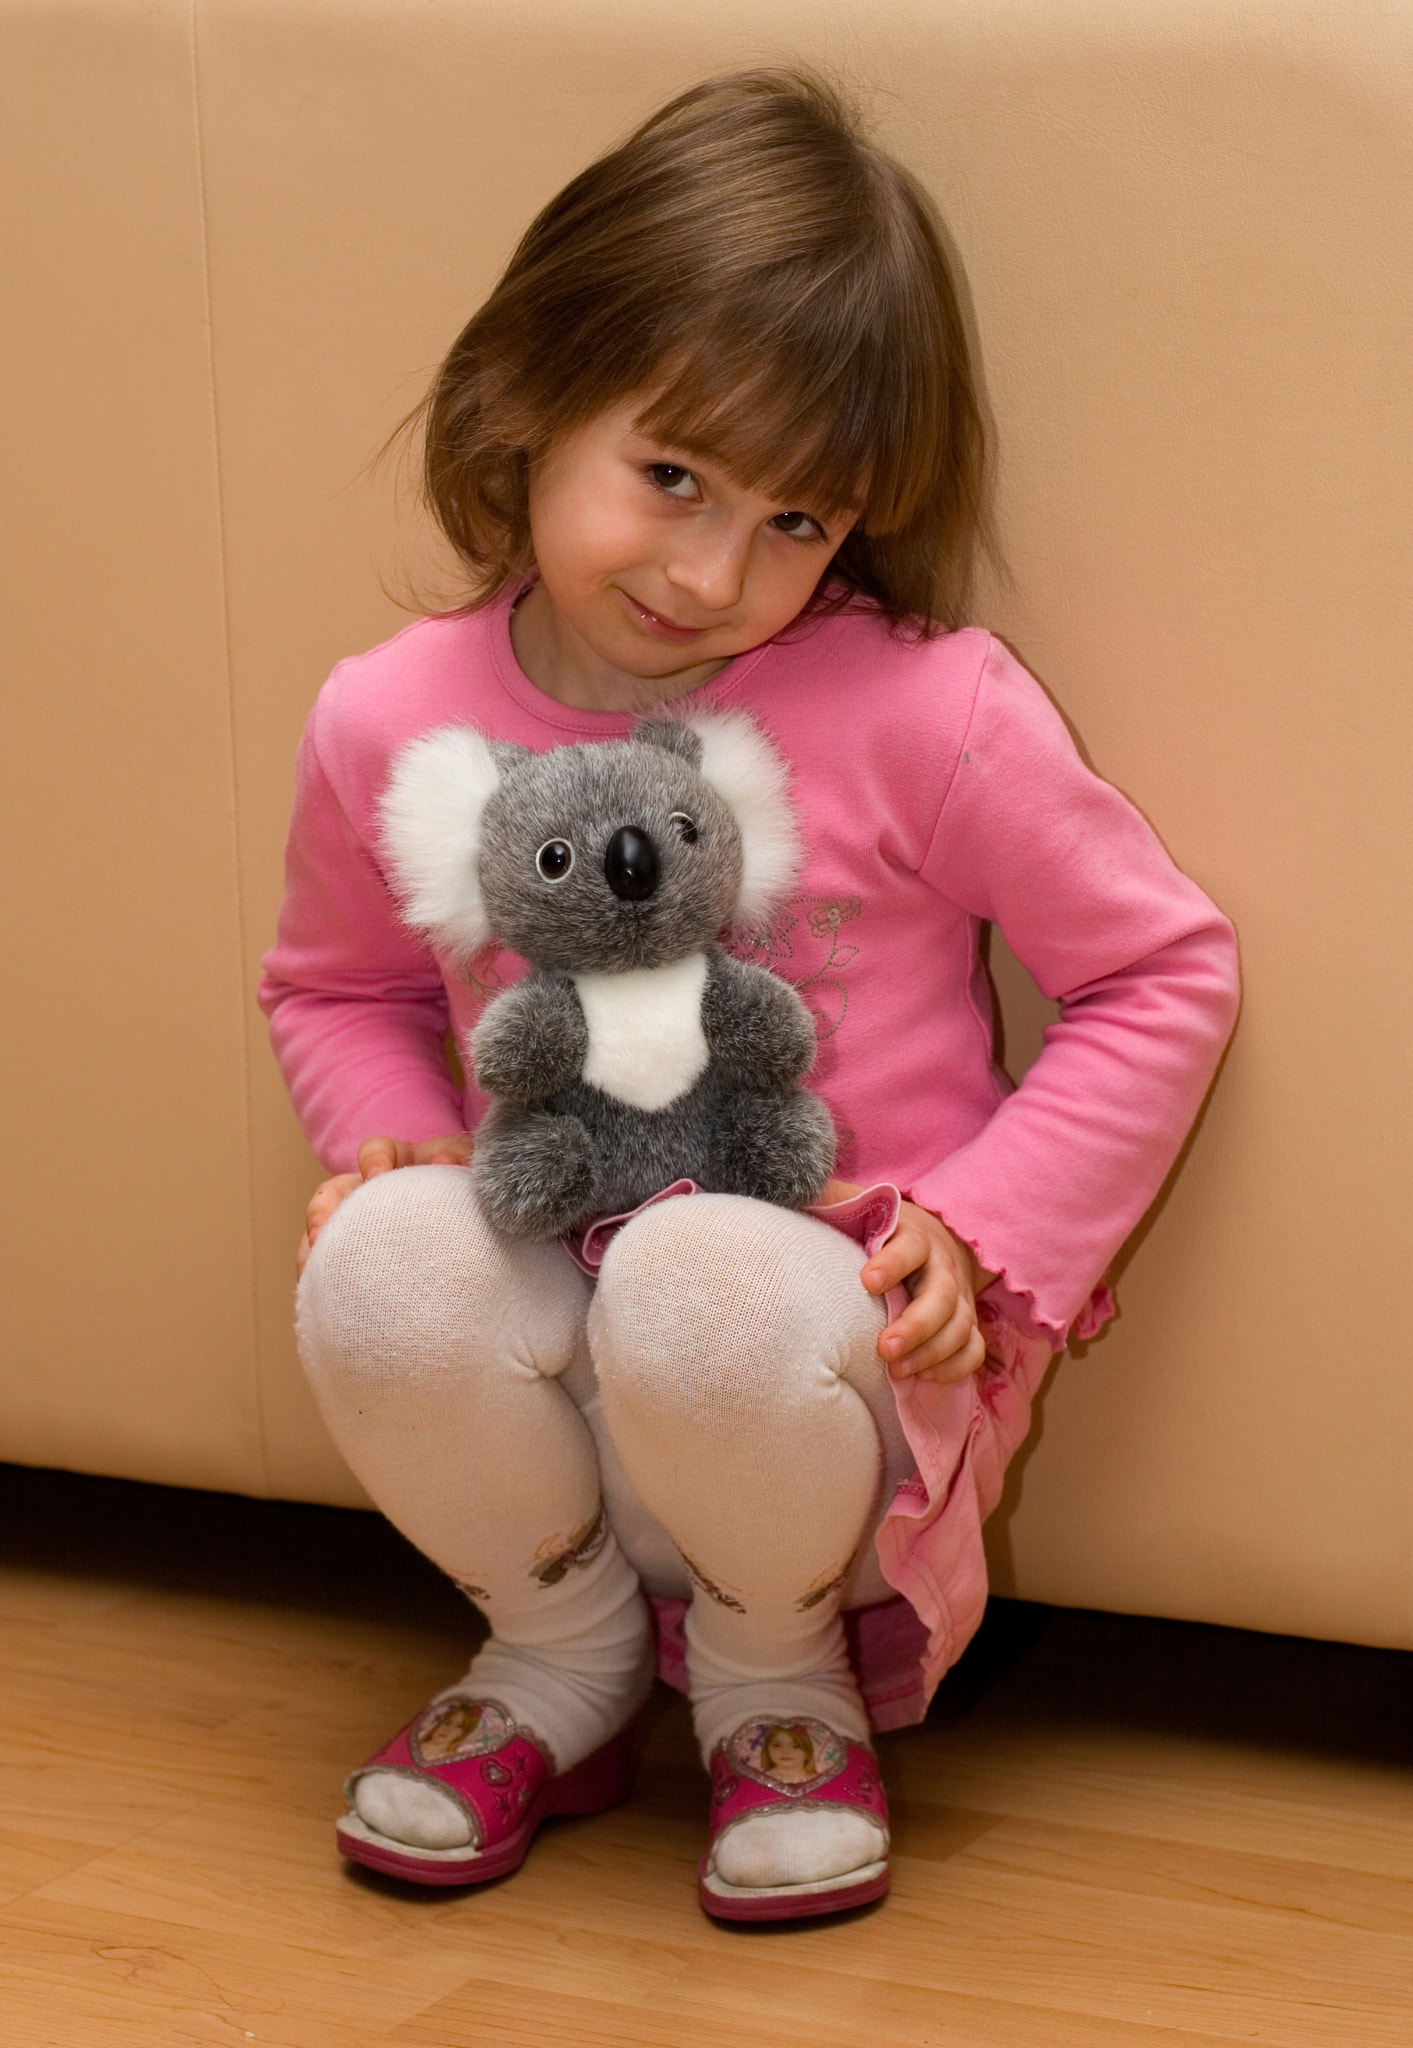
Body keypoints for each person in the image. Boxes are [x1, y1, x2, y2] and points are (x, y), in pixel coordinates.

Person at [261, 69, 1239, 1921]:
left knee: (708, 1271)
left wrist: (988, 1232)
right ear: (525, 390)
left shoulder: (924, 708)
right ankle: (559, 1656)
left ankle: (776, 1686)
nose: (714, 574)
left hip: (817, 1396)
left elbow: (1157, 970)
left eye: (796, 524)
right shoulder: (387, 720)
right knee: (379, 1257)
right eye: (674, 478)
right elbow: (332, 986)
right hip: (546, 1402)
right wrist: (379, 1143)